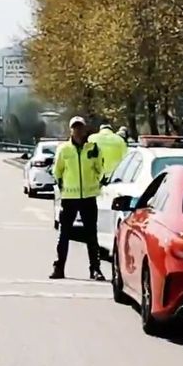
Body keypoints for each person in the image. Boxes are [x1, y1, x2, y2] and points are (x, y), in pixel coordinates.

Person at [52, 116, 105, 281]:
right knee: (64, 234)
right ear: (71, 130)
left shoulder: (93, 148)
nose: (78, 130)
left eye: (80, 127)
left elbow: (100, 169)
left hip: (88, 196)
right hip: (69, 197)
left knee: (91, 235)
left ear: (84, 129)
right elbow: (57, 171)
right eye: (75, 127)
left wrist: (97, 182)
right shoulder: (64, 149)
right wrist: (62, 187)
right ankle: (59, 268)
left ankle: (95, 269)